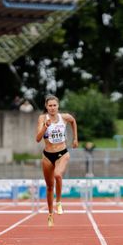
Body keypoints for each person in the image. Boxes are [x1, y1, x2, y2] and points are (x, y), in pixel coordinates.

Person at [35, 95, 78, 227]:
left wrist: (75, 138)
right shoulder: (42, 118)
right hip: (47, 155)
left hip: (62, 153)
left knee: (58, 175)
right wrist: (45, 127)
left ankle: (58, 202)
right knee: (49, 187)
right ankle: (50, 214)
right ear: (46, 107)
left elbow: (73, 121)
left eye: (54, 105)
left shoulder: (64, 117)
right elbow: (37, 139)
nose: (52, 108)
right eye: (50, 106)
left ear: (58, 106)